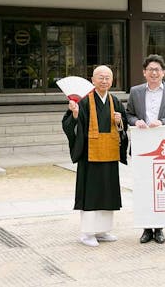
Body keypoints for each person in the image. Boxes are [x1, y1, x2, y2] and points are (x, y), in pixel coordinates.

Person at [62, 65, 128, 247]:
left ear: (112, 81)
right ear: (92, 80)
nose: (104, 81)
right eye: (100, 77)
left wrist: (120, 122)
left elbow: (123, 129)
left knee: (108, 193)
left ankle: (103, 230)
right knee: (91, 194)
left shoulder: (115, 101)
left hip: (109, 154)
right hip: (90, 156)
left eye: (107, 78)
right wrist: (74, 114)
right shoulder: (83, 101)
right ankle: (87, 233)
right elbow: (69, 125)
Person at [126, 54, 165, 245]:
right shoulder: (135, 92)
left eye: (157, 69)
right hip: (142, 147)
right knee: (143, 187)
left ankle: (159, 228)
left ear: (163, 73)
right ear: (144, 72)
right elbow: (129, 115)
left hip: (164, 148)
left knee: (161, 187)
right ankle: (146, 228)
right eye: (150, 69)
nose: (153, 72)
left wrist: (162, 122)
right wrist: (137, 121)